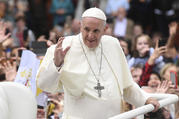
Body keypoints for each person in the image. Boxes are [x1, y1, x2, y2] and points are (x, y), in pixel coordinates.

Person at [36, 7, 160, 119]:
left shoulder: (113, 45)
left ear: (104, 29)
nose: (90, 35)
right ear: (80, 26)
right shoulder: (63, 46)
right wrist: (56, 63)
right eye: (86, 29)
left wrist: (145, 99)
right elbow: (44, 85)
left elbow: (127, 86)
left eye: (96, 31)